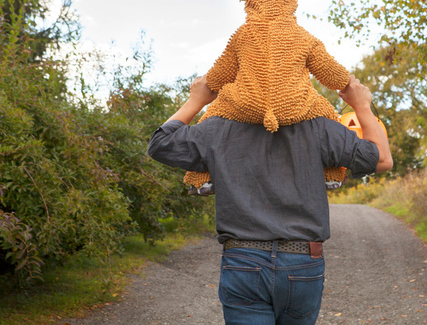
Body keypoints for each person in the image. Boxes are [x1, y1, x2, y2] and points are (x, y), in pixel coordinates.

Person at [147, 74, 392, 324]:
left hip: (242, 259)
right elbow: (382, 159)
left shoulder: (217, 127)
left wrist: (196, 101)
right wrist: (361, 105)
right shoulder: (320, 127)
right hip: (302, 260)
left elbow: (160, 144)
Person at [183, 0, 352, 195]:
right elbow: (333, 76)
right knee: (329, 114)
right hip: (294, 105)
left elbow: (220, 76)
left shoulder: (242, 36)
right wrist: (347, 80)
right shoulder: (305, 38)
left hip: (246, 104)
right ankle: (330, 175)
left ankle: (201, 178)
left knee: (209, 119)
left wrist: (206, 84)